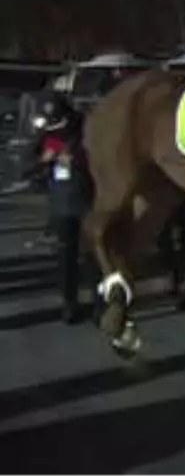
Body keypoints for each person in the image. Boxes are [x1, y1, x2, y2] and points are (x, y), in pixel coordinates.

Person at [37, 93, 96, 324]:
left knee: (93, 257)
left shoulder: (86, 131)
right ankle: (69, 304)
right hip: (62, 204)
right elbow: (29, 162)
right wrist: (46, 160)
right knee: (66, 258)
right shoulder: (51, 136)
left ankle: (100, 303)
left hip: (87, 200)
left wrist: (78, 159)